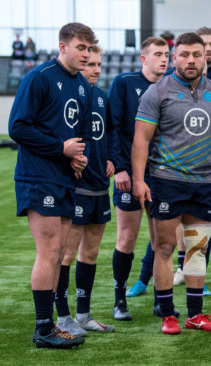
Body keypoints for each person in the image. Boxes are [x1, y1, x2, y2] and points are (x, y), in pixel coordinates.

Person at [131, 32, 211, 334]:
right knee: (165, 247)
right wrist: (139, 180)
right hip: (167, 181)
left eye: (197, 54)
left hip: (204, 182)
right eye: (184, 55)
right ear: (174, 57)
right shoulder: (157, 91)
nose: (190, 60)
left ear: (206, 56)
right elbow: (141, 139)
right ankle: (168, 315)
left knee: (196, 250)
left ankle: (195, 315)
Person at [9, 22, 97, 348]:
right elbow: (17, 127)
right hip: (38, 176)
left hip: (63, 178)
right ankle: (43, 328)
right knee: (48, 252)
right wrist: (61, 149)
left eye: (90, 49)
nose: (86, 54)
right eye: (81, 48)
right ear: (63, 47)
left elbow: (80, 132)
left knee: (60, 252)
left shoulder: (83, 87)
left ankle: (52, 325)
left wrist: (78, 157)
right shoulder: (40, 77)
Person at [54, 45, 116, 336]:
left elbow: (112, 131)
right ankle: (63, 317)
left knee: (90, 253)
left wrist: (113, 158)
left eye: (100, 64)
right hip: (76, 186)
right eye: (91, 64)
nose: (96, 70)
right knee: (65, 255)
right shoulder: (69, 95)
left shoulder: (102, 96)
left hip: (100, 186)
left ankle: (83, 315)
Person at [109, 36, 169, 320]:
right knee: (127, 237)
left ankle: (161, 301)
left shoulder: (173, 87)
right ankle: (119, 301)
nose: (164, 58)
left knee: (161, 241)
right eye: (158, 54)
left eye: (167, 54)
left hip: (162, 176)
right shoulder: (124, 83)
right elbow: (114, 127)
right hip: (130, 175)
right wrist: (121, 168)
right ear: (143, 58)